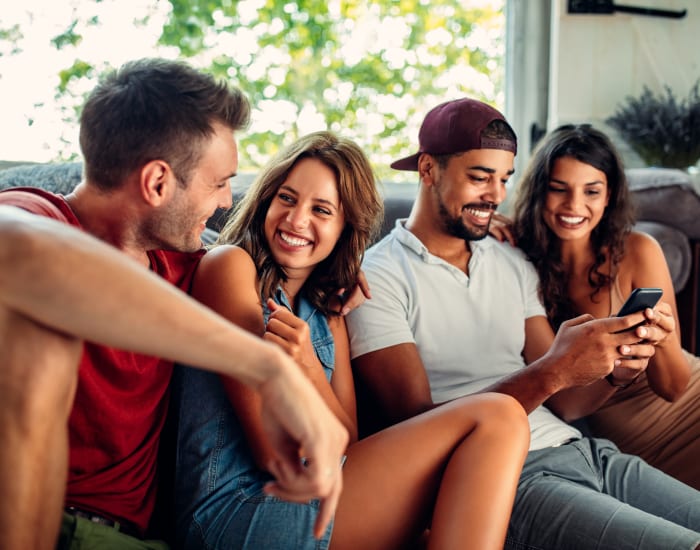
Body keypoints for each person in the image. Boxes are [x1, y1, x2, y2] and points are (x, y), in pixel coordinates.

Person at [0, 58, 349, 550]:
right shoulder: (34, 214)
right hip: (30, 509)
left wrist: (339, 281)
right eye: (220, 181)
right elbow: (23, 251)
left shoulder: (189, 264)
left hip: (127, 539)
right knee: (44, 336)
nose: (228, 200)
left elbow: (265, 263)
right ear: (158, 183)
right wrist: (266, 366)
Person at [345, 97, 700, 549]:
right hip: (507, 474)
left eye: (503, 179)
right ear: (429, 169)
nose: (495, 195)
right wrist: (554, 368)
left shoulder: (512, 261)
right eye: (479, 177)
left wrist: (617, 374)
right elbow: (413, 429)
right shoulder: (376, 276)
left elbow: (568, 402)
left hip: (583, 450)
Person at [173, 130, 530, 550]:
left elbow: (347, 446)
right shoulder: (230, 267)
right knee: (499, 415)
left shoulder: (328, 312)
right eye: (286, 198)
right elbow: (275, 452)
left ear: (346, 228)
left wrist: (309, 367)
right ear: (267, 200)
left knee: (486, 447)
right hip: (238, 509)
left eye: (321, 209)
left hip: (315, 494)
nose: (296, 219)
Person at [505, 123, 700, 488]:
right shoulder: (518, 266)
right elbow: (564, 403)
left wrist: (660, 339)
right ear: (538, 192)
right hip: (640, 452)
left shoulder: (638, 252)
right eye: (558, 189)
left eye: (591, 191)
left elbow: (673, 387)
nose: (574, 206)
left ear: (609, 195)